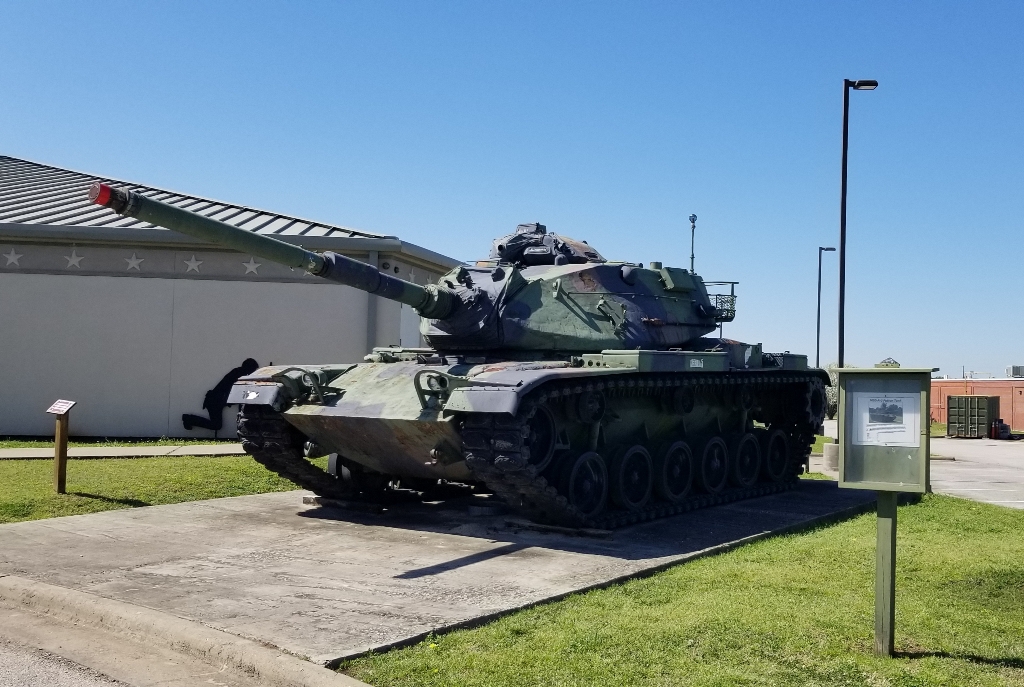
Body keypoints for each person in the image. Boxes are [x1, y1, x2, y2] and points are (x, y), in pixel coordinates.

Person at [182, 358, 260, 432]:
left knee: (216, 425)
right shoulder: (240, 375)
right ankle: (188, 418)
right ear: (250, 368)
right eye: (253, 370)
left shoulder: (238, 372)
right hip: (215, 401)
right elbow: (240, 392)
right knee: (216, 425)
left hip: (215, 400)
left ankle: (188, 419)